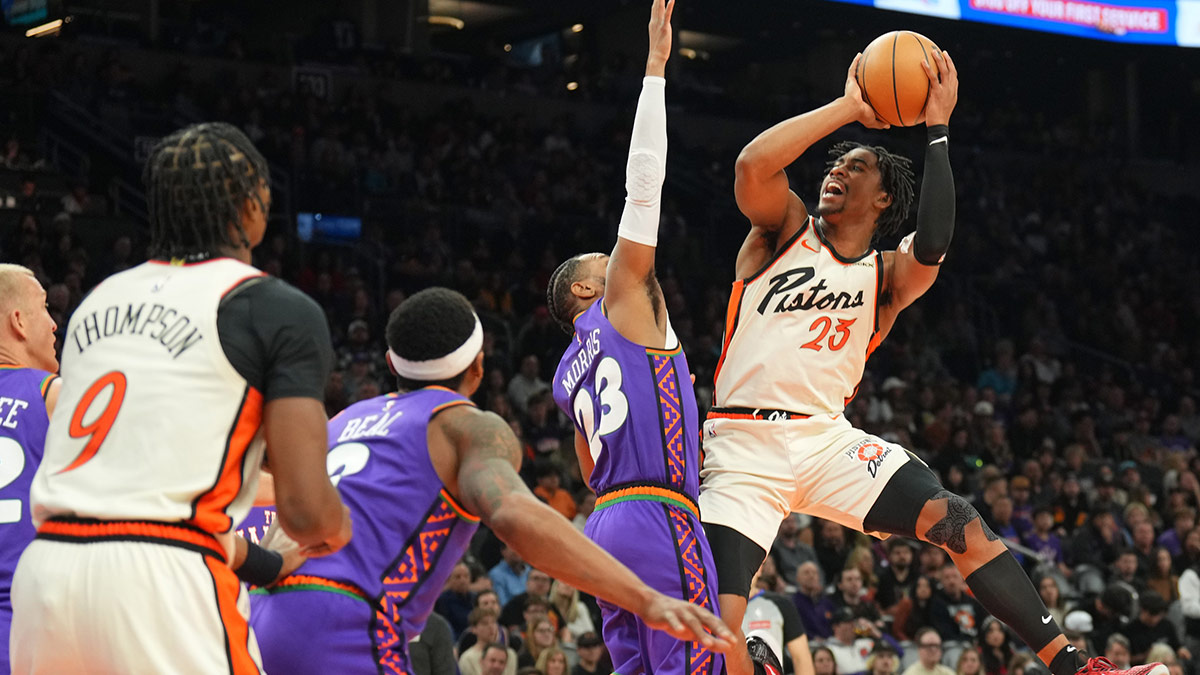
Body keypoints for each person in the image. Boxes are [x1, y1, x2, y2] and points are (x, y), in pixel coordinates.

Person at [698, 44, 1164, 675]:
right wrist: (846, 109)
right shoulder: (783, 230)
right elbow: (753, 163)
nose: (835, 171)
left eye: (855, 166)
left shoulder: (885, 278)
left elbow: (936, 241)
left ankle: (1076, 666)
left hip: (824, 440)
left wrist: (937, 127)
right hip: (742, 446)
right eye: (835, 166)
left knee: (958, 520)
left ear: (885, 199)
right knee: (715, 632)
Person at [10, 122, 353, 673]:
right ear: (251, 207)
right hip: (160, 584)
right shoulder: (275, 307)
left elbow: (134, 493)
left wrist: (261, 562)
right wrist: (343, 525)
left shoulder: (100, 299)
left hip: (46, 578)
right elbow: (308, 514)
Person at [248, 288, 732, 673]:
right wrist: (645, 598)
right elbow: (511, 513)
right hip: (346, 624)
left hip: (262, 614)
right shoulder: (466, 425)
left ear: (393, 365)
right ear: (478, 369)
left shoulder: (345, 420)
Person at [547, 2, 735, 675]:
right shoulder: (622, 299)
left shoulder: (566, 373)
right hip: (659, 512)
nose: (614, 256)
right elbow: (644, 186)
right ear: (580, 292)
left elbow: (590, 470)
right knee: (695, 664)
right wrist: (654, 72)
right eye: (601, 262)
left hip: (605, 526)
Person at [0, 264, 60, 674]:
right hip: (29, 634)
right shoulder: (52, 396)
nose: (55, 324)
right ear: (18, 321)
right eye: (45, 309)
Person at [743, 559, 815, 675]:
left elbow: (801, 658)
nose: (743, 569)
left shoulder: (781, 604)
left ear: (760, 568)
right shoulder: (713, 603)